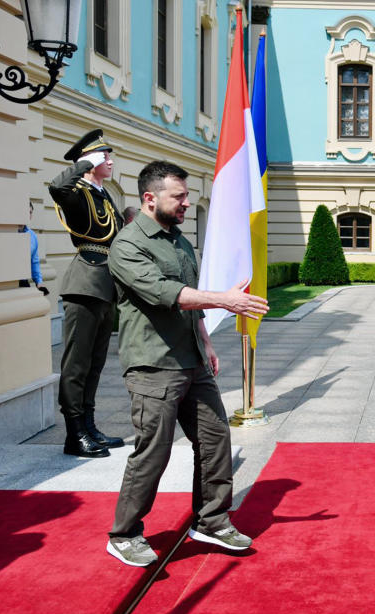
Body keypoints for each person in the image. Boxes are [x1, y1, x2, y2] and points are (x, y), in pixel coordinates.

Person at [105, 161, 269, 567]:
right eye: (178, 196)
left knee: (215, 441)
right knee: (153, 452)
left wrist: (207, 340)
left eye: (186, 195)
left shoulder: (178, 240)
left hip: (192, 359)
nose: (186, 203)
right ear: (149, 199)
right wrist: (224, 300)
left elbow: (189, 298)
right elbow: (164, 292)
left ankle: (211, 520)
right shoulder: (127, 245)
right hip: (153, 365)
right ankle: (124, 534)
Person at [48, 129, 125, 458]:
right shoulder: (78, 193)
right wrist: (82, 164)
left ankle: (90, 426)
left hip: (106, 285)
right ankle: (74, 433)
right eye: (103, 155)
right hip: (85, 284)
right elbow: (56, 187)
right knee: (76, 364)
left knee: (95, 363)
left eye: (107, 155)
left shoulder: (103, 195)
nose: (109, 160)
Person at [19, 202, 49, 295]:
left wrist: (39, 282)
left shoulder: (32, 235)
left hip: (23, 281)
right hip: (9, 282)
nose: (28, 215)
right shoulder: (9, 231)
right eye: (26, 212)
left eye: (30, 212)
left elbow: (34, 262)